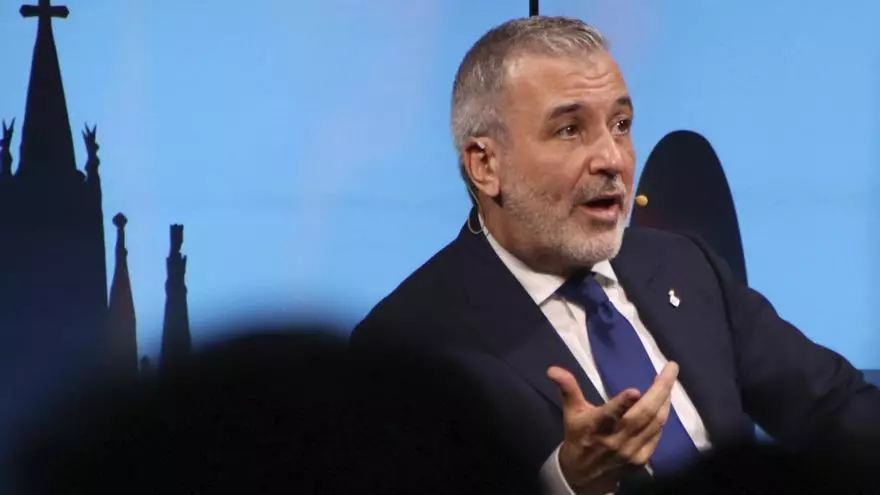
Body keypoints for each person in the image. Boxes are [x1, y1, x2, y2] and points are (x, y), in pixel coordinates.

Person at [350, 15, 880, 495]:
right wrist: (568, 481)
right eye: (569, 130)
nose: (612, 158)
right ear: (485, 165)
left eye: (620, 125)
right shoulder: (407, 344)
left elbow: (835, 408)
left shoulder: (683, 265)